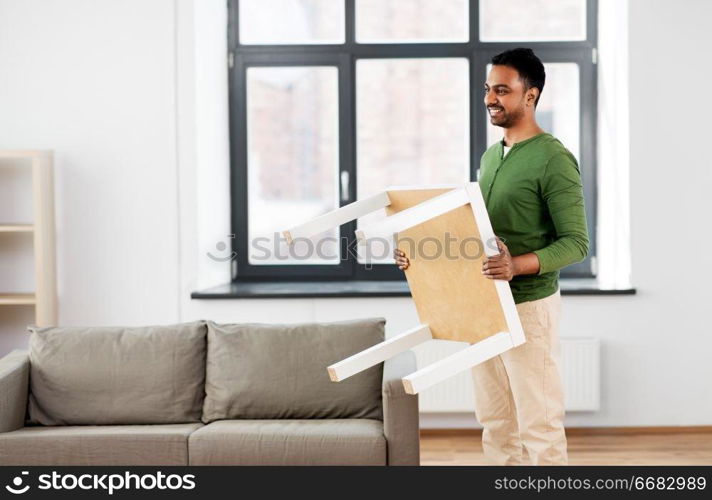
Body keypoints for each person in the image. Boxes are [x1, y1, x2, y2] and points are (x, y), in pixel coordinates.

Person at [393, 48, 589, 465]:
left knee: (540, 425)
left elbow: (576, 243)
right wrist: (421, 252)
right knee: (496, 423)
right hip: (485, 308)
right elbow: (476, 234)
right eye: (487, 89)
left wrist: (517, 265)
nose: (489, 98)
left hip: (528, 310)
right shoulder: (491, 156)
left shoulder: (553, 158)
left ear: (531, 95)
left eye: (502, 89)